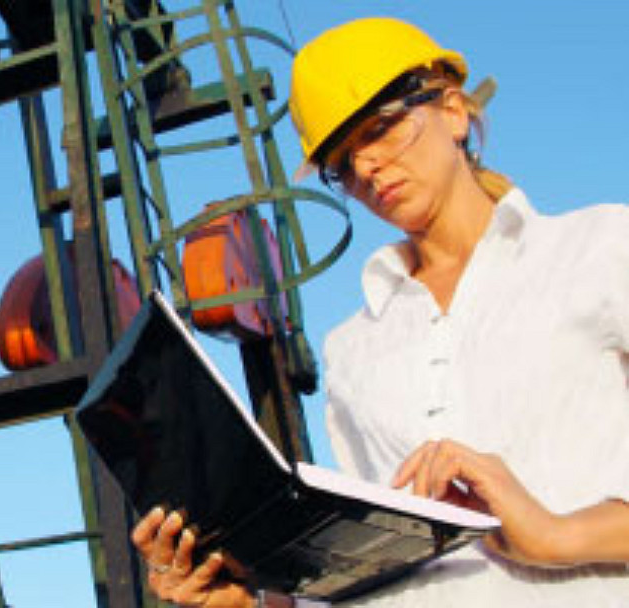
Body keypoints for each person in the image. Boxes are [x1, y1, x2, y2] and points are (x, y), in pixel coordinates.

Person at [131, 16, 629, 607]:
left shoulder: (603, 249)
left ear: (452, 111)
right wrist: (250, 602)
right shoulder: (353, 351)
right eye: (342, 162)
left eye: (382, 129)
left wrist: (557, 535)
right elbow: (369, 575)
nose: (366, 168)